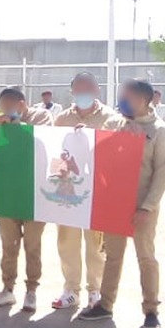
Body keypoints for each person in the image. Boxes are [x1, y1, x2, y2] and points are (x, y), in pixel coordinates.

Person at [78, 79, 165, 328]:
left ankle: (151, 309)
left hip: (142, 206)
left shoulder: (159, 130)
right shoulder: (114, 124)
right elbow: (99, 151)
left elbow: (163, 171)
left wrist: (148, 206)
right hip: (116, 203)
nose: (122, 101)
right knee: (113, 256)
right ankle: (105, 304)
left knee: (146, 257)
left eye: (127, 97)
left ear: (143, 101)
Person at [49, 72, 119, 310]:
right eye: (79, 89)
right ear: (72, 92)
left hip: (97, 191)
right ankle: (71, 290)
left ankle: (95, 290)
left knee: (96, 243)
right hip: (68, 191)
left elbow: (116, 151)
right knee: (66, 241)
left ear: (97, 90)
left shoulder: (111, 118)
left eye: (88, 88)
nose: (84, 93)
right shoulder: (61, 120)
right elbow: (54, 152)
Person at [0, 88, 53, 311]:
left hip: (35, 193)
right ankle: (7, 288)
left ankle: (32, 290)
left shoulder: (41, 117)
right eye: (3, 106)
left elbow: (42, 139)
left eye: (10, 105)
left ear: (22, 103)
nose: (6, 110)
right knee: (9, 245)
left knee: (32, 245)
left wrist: (16, 126)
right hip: (8, 192)